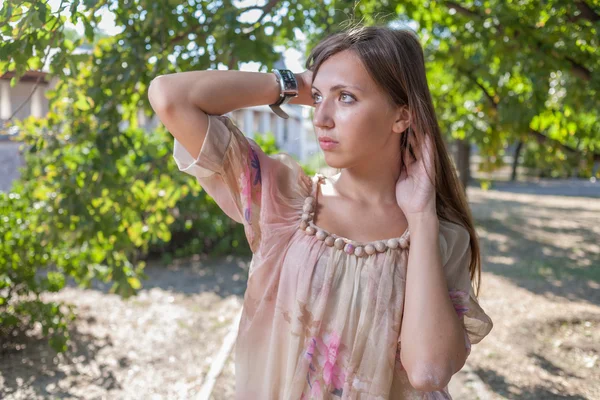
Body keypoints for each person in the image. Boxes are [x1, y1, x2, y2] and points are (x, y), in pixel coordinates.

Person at [148, 23, 493, 400]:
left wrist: (422, 215)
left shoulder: (440, 235)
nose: (320, 117)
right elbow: (169, 96)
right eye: (317, 97)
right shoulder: (284, 202)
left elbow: (428, 371)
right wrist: (292, 83)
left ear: (402, 116)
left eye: (346, 98)